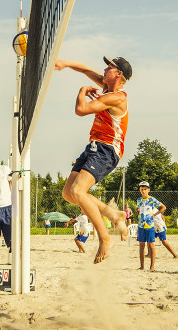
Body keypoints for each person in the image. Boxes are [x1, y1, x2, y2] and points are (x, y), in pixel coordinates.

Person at [55, 56, 132, 264]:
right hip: (94, 146)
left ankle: (105, 238)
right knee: (69, 193)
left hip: (107, 150)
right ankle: (114, 214)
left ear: (119, 75)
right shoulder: (106, 87)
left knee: (79, 191)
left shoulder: (117, 98)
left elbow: (81, 110)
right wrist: (65, 63)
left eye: (110, 67)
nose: (105, 69)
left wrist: (81, 92)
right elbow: (85, 70)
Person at [136, 181, 164, 271]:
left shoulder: (152, 199)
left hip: (150, 225)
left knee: (151, 245)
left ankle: (152, 266)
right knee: (141, 245)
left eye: (144, 189)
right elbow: (138, 208)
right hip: (141, 225)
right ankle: (142, 266)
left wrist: (155, 215)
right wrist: (138, 211)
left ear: (148, 190)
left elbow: (163, 207)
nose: (143, 191)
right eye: (141, 189)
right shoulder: (139, 200)